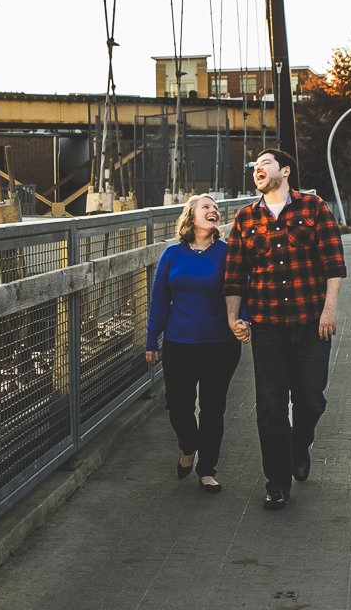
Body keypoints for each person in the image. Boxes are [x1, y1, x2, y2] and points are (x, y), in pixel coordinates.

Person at [223, 148, 346, 511]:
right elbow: (233, 277)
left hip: (311, 324)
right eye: (255, 167)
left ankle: (299, 445)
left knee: (311, 397)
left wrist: (329, 311)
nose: (258, 170)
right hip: (268, 328)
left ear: (286, 171)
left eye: (266, 164)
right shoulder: (245, 219)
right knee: (270, 407)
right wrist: (234, 319)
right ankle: (277, 482)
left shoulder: (313, 208)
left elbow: (334, 265)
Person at [145, 193, 242, 493]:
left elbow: (242, 290)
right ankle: (189, 447)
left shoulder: (228, 253)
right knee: (178, 405)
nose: (213, 210)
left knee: (213, 408)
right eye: (206, 207)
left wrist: (243, 320)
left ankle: (207, 469)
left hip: (220, 344)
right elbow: (160, 299)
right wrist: (152, 339)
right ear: (191, 216)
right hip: (179, 342)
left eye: (215, 208)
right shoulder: (172, 255)